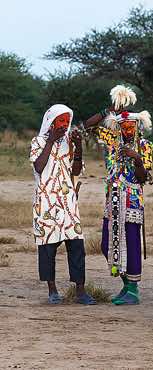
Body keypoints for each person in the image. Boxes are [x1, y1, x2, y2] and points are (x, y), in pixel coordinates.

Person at [86, 85, 153, 305]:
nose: (127, 130)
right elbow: (88, 125)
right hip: (112, 200)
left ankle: (133, 289)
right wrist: (109, 111)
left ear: (137, 126)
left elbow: (144, 178)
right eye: (123, 126)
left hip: (132, 201)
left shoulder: (145, 146)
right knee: (107, 244)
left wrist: (136, 158)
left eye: (130, 126)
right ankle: (126, 283)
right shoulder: (112, 142)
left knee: (131, 243)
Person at [30, 105, 95, 305]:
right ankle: (52, 290)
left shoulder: (70, 142)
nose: (64, 125)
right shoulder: (38, 141)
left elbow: (76, 171)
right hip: (46, 203)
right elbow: (39, 167)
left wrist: (79, 148)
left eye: (67, 121)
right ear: (50, 122)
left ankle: (81, 291)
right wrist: (50, 141)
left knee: (76, 245)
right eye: (61, 121)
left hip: (68, 203)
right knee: (47, 247)